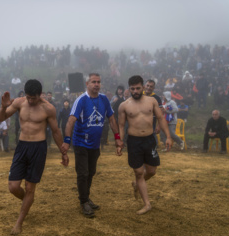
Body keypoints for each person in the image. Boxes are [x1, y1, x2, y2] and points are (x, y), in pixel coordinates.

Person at [0, 79, 68, 235]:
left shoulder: (48, 108)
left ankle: (19, 222)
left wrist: (64, 152)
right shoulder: (20, 102)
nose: (30, 100)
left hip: (38, 148)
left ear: (40, 95)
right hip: (22, 147)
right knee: (13, 187)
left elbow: (56, 131)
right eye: (28, 97)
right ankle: (28, 201)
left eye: (33, 98)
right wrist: (3, 106)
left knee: (29, 188)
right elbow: (0, 119)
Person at [62, 73, 124, 218]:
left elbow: (112, 119)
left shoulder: (104, 99)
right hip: (80, 143)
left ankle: (86, 197)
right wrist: (66, 140)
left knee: (91, 172)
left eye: (98, 82)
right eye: (93, 82)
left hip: (95, 144)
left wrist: (117, 138)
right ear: (87, 84)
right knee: (83, 173)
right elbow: (71, 121)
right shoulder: (81, 100)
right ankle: (83, 202)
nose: (96, 84)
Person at [118, 75, 172, 215]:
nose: (135, 91)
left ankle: (137, 184)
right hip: (134, 142)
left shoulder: (152, 101)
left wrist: (168, 137)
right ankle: (147, 204)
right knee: (138, 172)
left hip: (149, 140)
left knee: (152, 171)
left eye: (137, 88)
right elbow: (121, 125)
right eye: (132, 89)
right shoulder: (124, 105)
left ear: (142, 87)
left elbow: (160, 118)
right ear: (129, 89)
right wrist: (119, 142)